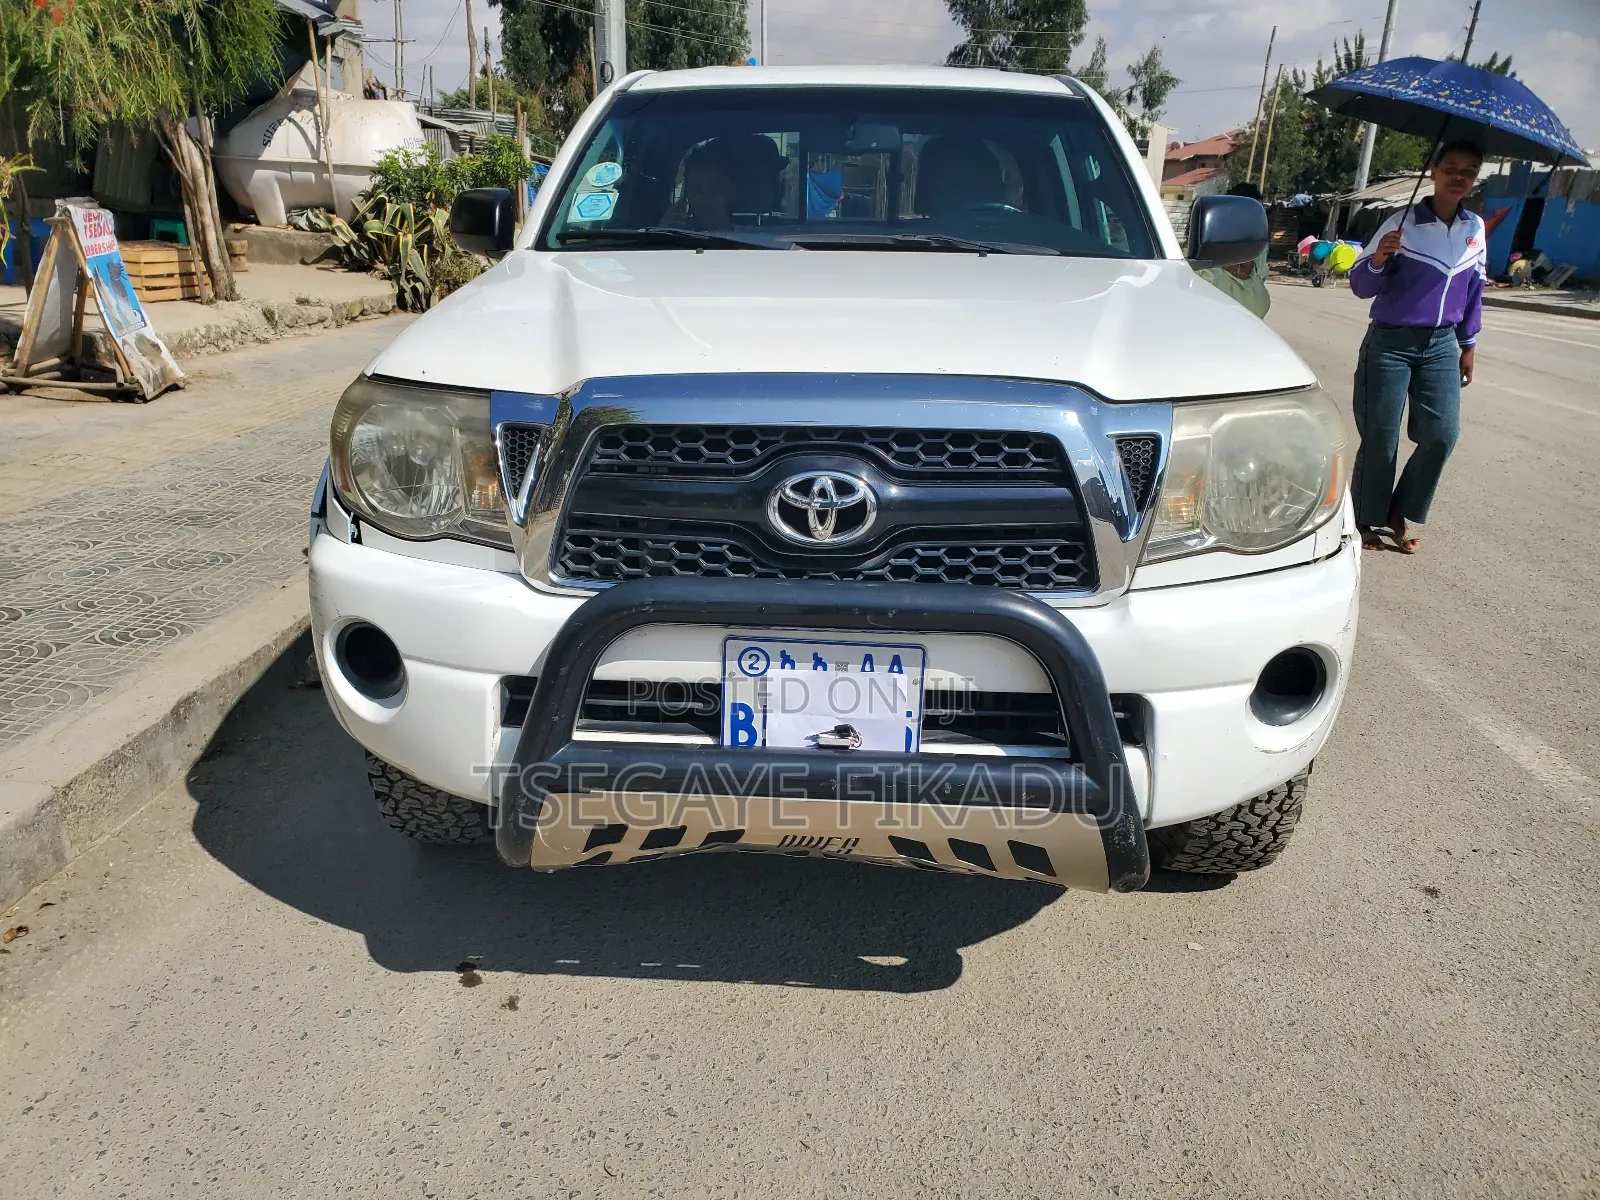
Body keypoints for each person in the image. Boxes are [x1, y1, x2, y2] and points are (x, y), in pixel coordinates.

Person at [1347, 139, 1486, 555]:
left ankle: (1400, 510)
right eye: (1451, 167)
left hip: (1442, 344)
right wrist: (1378, 258)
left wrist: (1468, 344)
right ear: (1434, 172)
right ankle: (1365, 516)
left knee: (1442, 434)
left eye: (1468, 171)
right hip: (1390, 342)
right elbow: (1360, 285)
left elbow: (1475, 289)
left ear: (1474, 179)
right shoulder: (1400, 222)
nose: (1458, 176)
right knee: (1381, 434)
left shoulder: (1474, 229)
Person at [1197, 181, 1271, 318]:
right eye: (1250, 214)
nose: (1257, 220)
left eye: (1260, 213)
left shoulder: (1259, 250)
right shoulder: (1202, 262)